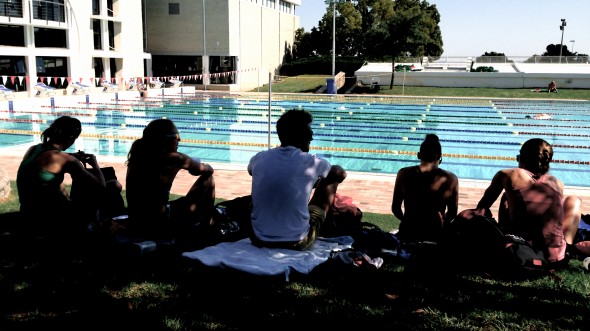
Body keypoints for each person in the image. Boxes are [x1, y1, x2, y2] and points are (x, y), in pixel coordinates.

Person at [248, 109, 347, 251]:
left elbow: (252, 172)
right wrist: (313, 184)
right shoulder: (312, 162)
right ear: (299, 135)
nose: (312, 137)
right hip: (297, 241)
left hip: (258, 238)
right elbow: (340, 173)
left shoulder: (259, 158)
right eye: (308, 132)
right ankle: (327, 224)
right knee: (333, 175)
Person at [16, 116, 123, 241]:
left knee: (98, 180)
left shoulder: (34, 149)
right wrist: (95, 164)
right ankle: (95, 226)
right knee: (114, 185)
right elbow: (101, 186)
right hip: (53, 218)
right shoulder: (65, 159)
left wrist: (75, 156)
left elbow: (52, 158)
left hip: (29, 213)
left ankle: (97, 221)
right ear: (71, 137)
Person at [476, 138, 581, 265]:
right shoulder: (557, 183)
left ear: (523, 158)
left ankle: (508, 235)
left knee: (506, 197)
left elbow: (481, 208)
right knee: (574, 200)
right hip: (556, 257)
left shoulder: (508, 174)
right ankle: (567, 245)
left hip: (522, 251)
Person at [125, 119, 216, 242]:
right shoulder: (174, 158)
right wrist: (195, 165)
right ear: (164, 139)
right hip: (160, 223)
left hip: (137, 221)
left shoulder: (139, 155)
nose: (179, 140)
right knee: (208, 180)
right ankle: (207, 227)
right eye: (176, 136)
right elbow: (208, 170)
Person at [391, 134, 459, 244]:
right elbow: (452, 213)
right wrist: (441, 223)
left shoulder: (404, 174)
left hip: (409, 232)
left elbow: (395, 208)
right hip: (435, 233)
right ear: (439, 157)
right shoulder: (451, 179)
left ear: (419, 155)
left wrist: (407, 221)